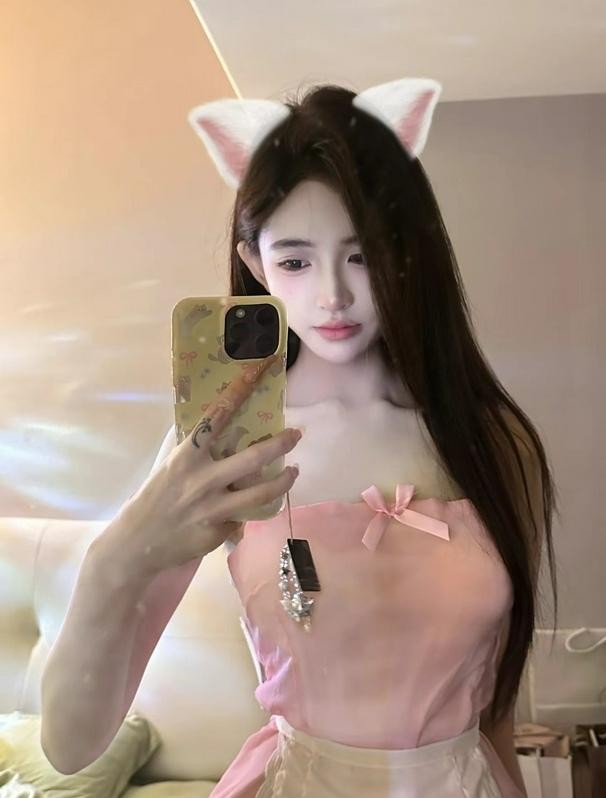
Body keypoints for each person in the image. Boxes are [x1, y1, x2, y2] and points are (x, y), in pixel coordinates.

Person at [41, 77, 559, 797]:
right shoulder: (222, 445)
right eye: (294, 261)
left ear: (408, 252)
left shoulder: (493, 440)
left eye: (362, 254)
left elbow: (496, 708)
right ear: (255, 264)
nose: (333, 296)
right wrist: (115, 557)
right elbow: (70, 748)